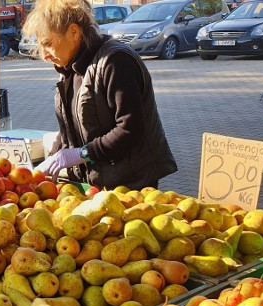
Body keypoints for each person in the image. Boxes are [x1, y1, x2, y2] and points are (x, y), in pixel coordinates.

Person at [24, 0, 177, 190]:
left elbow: (130, 129)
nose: (44, 55)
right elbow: (69, 130)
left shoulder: (116, 61)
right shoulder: (70, 67)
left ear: (74, 32)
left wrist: (82, 154)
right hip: (96, 184)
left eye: (47, 44)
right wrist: (52, 160)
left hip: (131, 184)